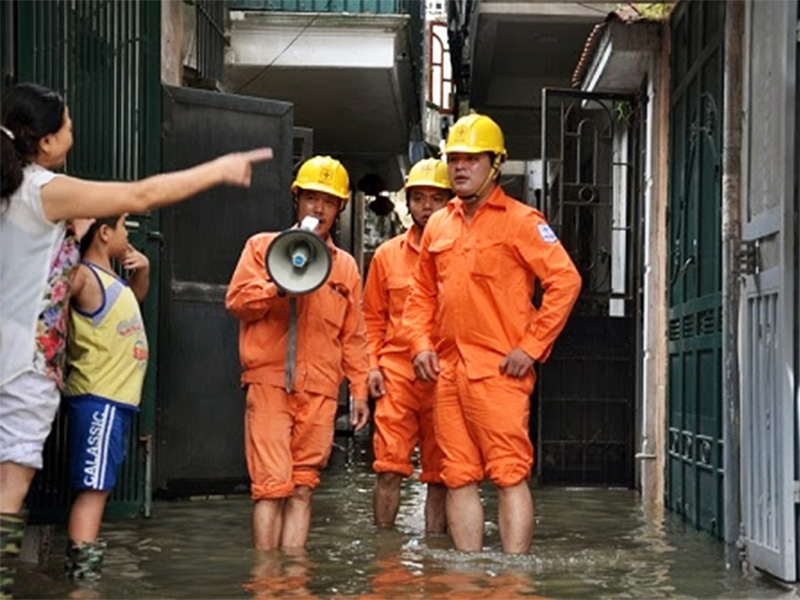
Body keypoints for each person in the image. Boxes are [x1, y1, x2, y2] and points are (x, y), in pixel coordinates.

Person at [0, 82, 271, 597]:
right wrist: (219, 168)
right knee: (8, 493)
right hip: (25, 366)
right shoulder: (44, 191)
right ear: (47, 141)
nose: (73, 135)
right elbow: (141, 193)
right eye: (70, 128)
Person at [402, 113, 582, 554]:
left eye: (471, 159)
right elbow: (420, 294)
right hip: (448, 371)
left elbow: (566, 281)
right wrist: (421, 345)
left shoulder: (521, 221)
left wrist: (532, 346)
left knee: (508, 474)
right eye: (454, 159)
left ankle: (514, 580)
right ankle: (469, 577)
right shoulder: (439, 225)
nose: (460, 167)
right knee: (457, 476)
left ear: (495, 164)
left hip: (500, 369)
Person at [225, 155, 370, 551]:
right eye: (310, 198)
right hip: (270, 384)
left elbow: (353, 335)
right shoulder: (262, 248)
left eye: (328, 201)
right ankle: (268, 582)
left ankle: (293, 581)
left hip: (321, 391)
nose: (318, 209)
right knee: (271, 489)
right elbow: (237, 302)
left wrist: (359, 390)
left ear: (339, 208)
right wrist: (277, 286)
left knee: (303, 489)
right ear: (297, 200)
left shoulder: (346, 268)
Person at [363, 158, 450, 533]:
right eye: (419, 198)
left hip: (444, 375)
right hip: (396, 375)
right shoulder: (386, 256)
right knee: (388, 469)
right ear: (408, 201)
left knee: (442, 474)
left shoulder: (459, 253)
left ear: (450, 202)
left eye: (435, 198)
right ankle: (384, 559)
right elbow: (370, 320)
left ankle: (436, 562)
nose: (426, 207)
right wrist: (371, 367)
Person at [62, 215, 150, 580]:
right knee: (93, 490)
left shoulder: (113, 281)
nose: (128, 235)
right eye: (124, 228)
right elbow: (54, 289)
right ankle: (83, 582)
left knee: (99, 487)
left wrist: (143, 269)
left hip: (113, 404)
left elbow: (136, 297)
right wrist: (70, 240)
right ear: (103, 233)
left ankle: (84, 574)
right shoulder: (84, 276)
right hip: (98, 400)